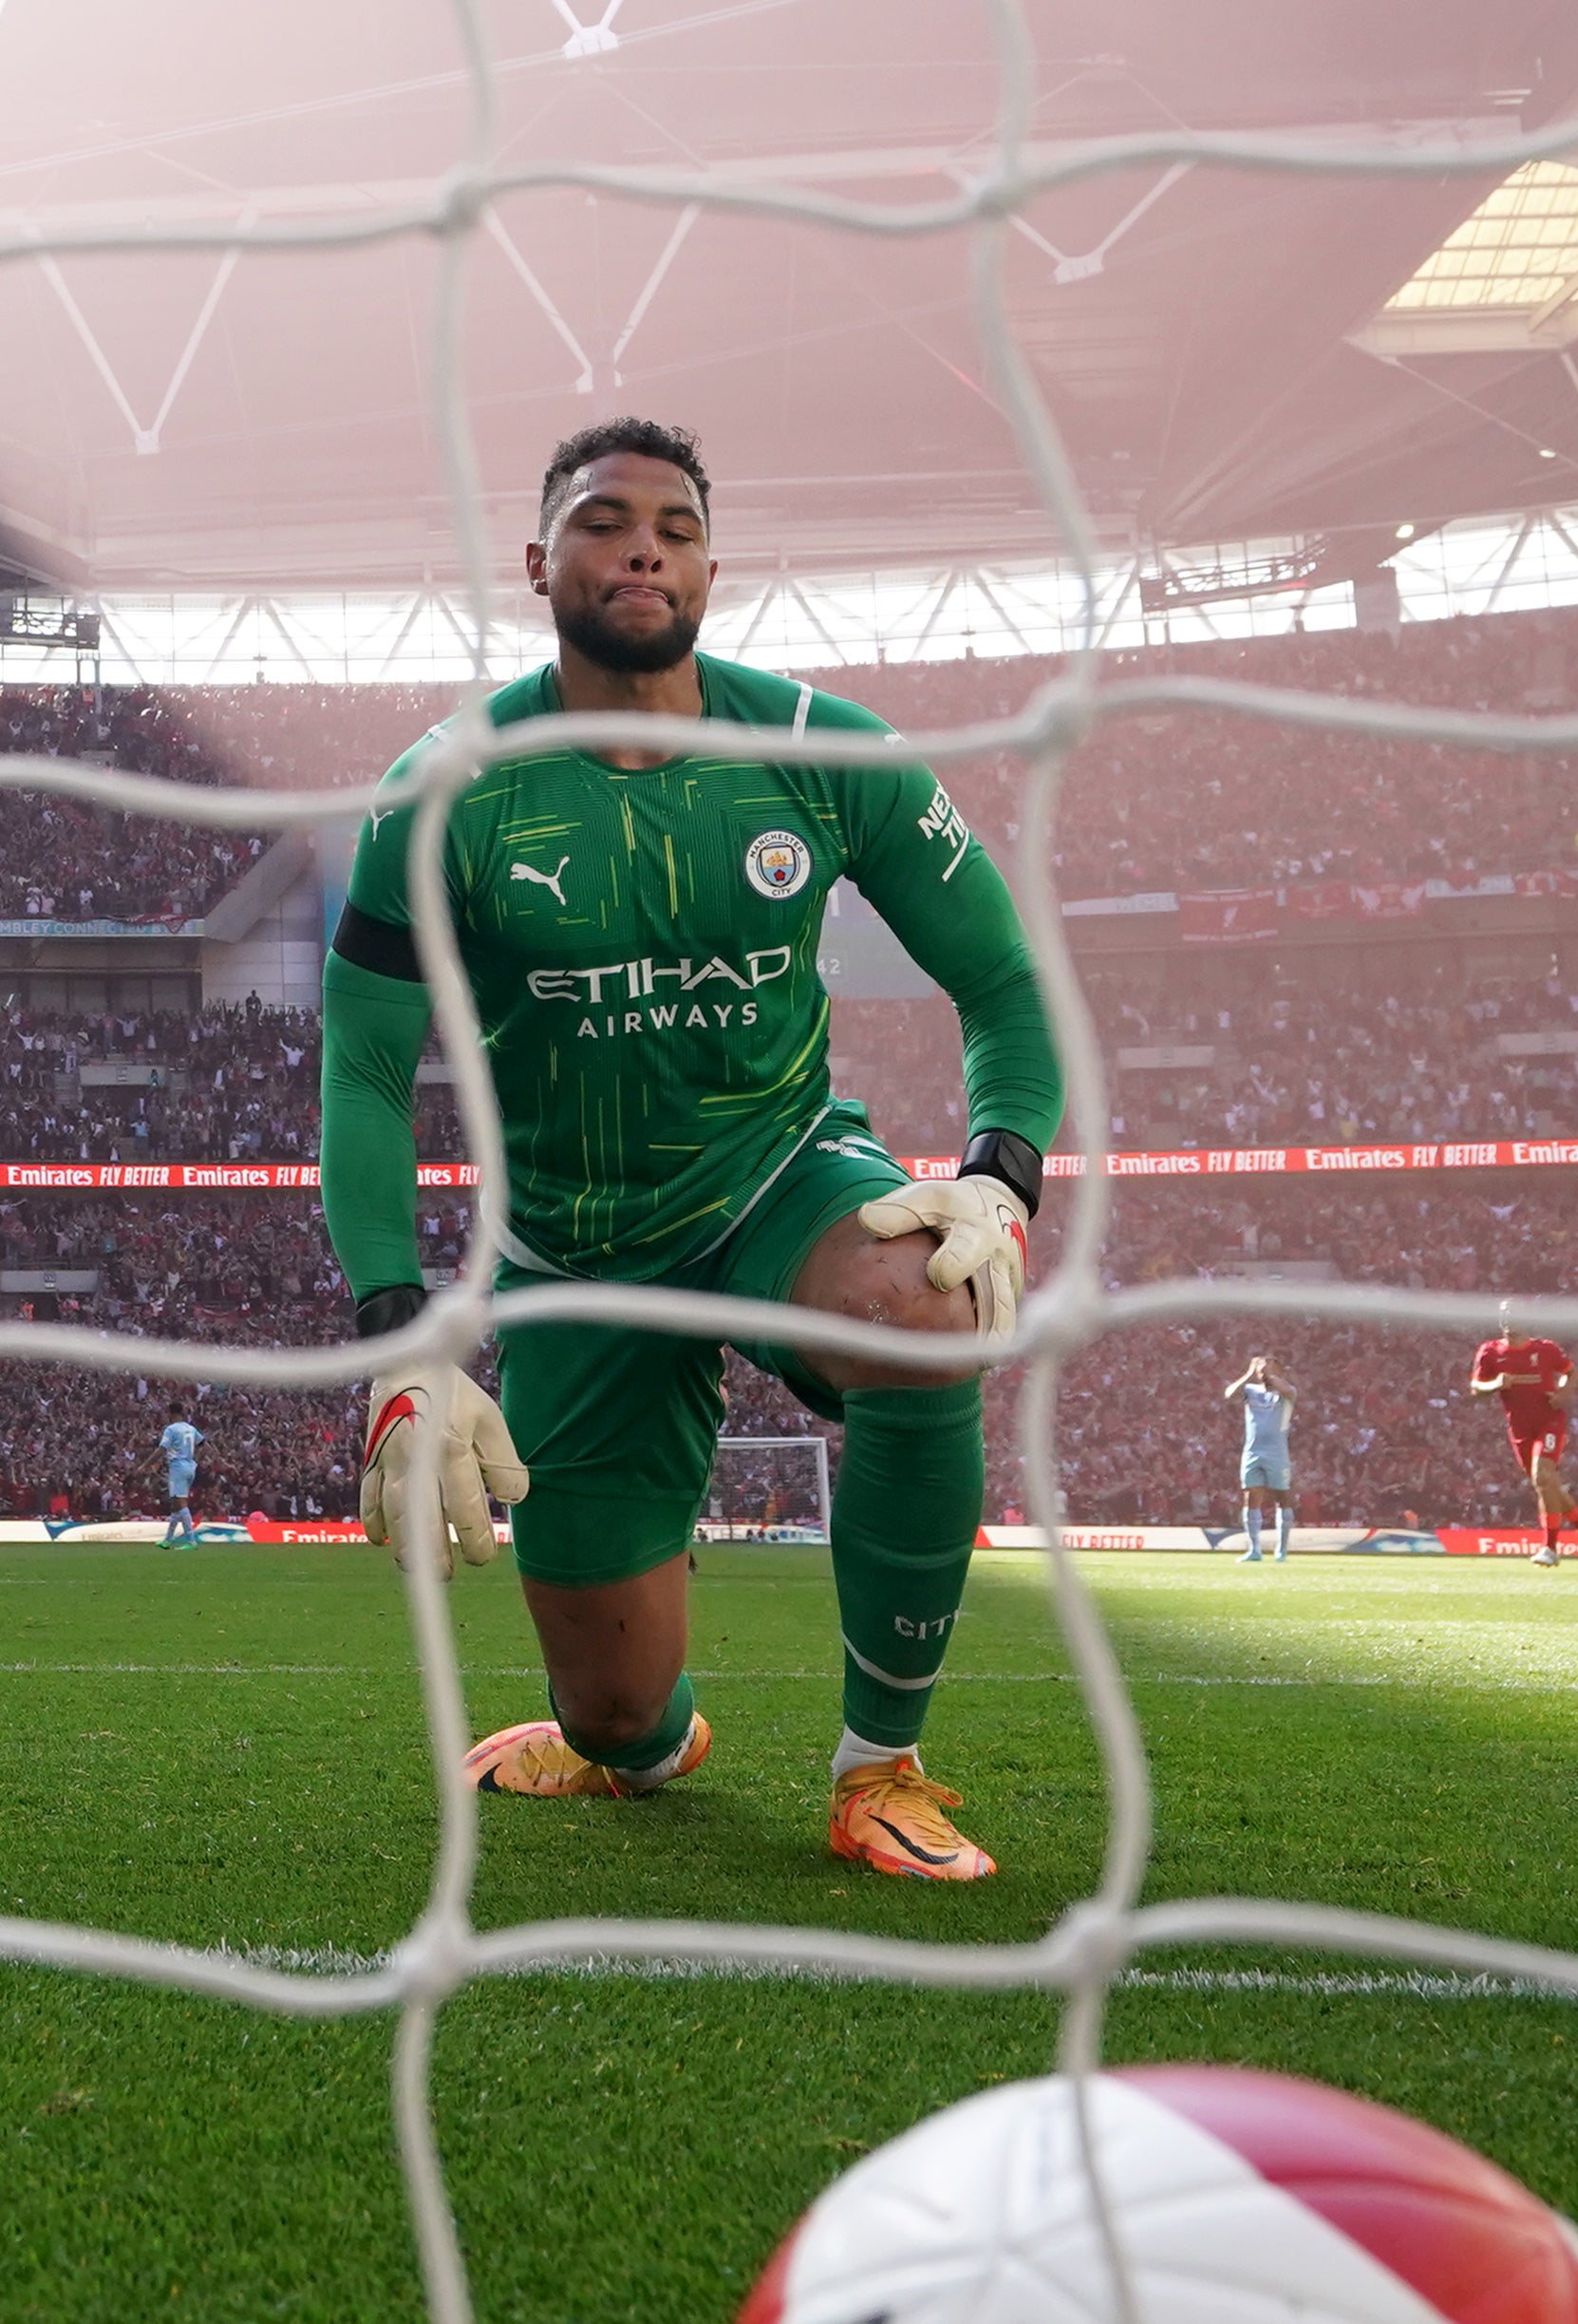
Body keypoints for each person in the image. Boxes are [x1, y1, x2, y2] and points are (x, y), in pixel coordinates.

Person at [315, 418, 1060, 1882]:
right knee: (614, 1723)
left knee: (929, 1302)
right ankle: (642, 1735)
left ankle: (880, 1767)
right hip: (568, 1246)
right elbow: (360, 1066)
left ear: (713, 563)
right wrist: (399, 1331)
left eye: (673, 522)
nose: (640, 543)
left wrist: (998, 1171)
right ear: (539, 562)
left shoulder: (823, 750)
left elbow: (1009, 988)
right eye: (601, 520)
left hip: (779, 1177)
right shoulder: (444, 788)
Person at [1468, 1307, 1578, 1566]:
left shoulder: (1546, 1350)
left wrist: (1563, 1394)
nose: (1508, 1322)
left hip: (1549, 1420)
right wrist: (1495, 1384)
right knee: (1547, 1484)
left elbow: (1571, 1372)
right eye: (1504, 1317)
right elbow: (1476, 1386)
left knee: (1543, 1476)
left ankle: (1550, 1549)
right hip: (1519, 1428)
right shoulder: (1490, 1352)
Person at [1223, 1356, 1298, 1563]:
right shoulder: (1251, 1391)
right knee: (1251, 1497)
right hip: (1253, 1451)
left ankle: (1281, 1549)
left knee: (1282, 1496)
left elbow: (1286, 1389)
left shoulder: (1286, 1392)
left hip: (1277, 1452)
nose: (1263, 1372)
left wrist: (1270, 1375)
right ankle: (1254, 1550)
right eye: (1261, 1369)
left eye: (1268, 1368)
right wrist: (1248, 1374)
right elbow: (1229, 1394)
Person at [159, 1410, 207, 1547]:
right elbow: (202, 1442)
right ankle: (168, 1540)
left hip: (178, 1467)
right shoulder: (191, 1428)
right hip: (190, 1466)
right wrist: (195, 1457)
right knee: (175, 1504)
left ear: (172, 1414)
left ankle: (191, 1541)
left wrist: (146, 1464)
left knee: (180, 1503)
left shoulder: (171, 1429)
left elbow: (162, 1449)